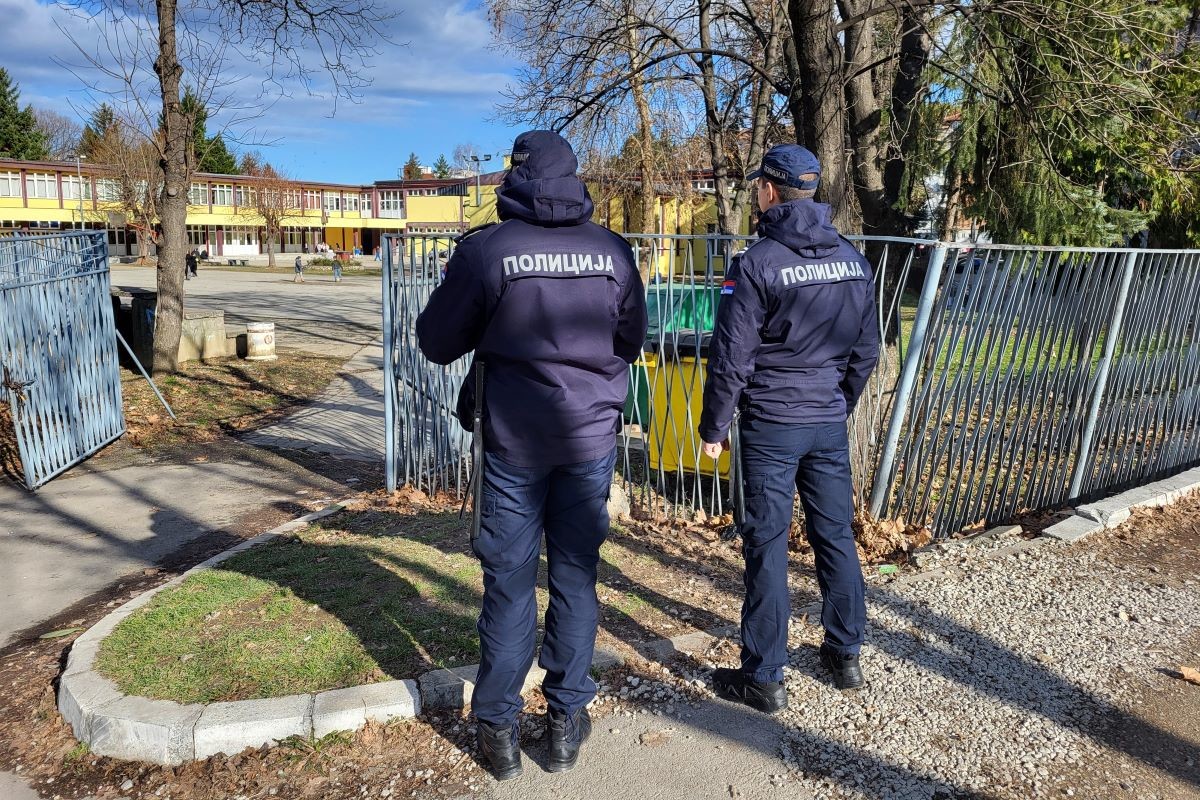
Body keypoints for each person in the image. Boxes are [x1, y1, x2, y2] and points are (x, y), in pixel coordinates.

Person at [416, 131, 647, 781]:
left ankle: (498, 729)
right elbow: (631, 338)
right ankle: (566, 722)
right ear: (575, 178)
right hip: (588, 439)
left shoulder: (488, 251)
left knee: (512, 583)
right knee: (574, 577)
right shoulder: (611, 251)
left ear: (513, 177)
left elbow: (437, 342)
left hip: (514, 442)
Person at [699, 144, 880, 708]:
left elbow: (731, 358)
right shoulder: (852, 258)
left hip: (772, 423)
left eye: (759, 186)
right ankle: (845, 654)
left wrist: (713, 425)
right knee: (835, 535)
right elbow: (867, 349)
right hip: (825, 418)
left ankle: (764, 677)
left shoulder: (757, 264)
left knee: (768, 545)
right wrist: (836, 403)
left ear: (770, 191)